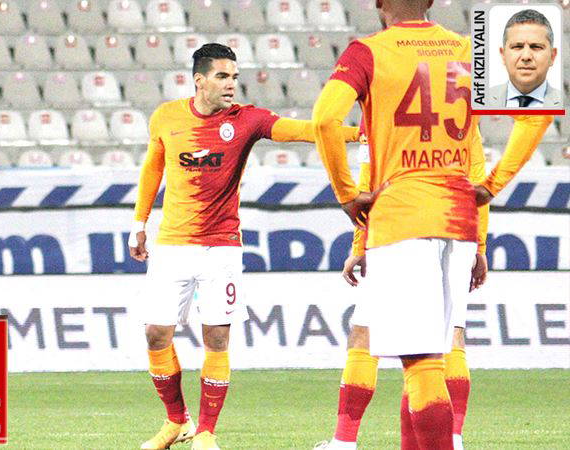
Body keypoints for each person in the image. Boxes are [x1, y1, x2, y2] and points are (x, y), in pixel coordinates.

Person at [311, 0, 552, 448]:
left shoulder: (367, 52)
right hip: (459, 220)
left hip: (402, 217)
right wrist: (492, 185)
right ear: (431, 1)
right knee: (436, 354)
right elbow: (535, 110)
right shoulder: (469, 50)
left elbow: (325, 120)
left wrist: (346, 194)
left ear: (379, 3)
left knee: (420, 364)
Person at [128, 43, 358, 450]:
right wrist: (138, 223)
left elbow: (303, 131)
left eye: (234, 77)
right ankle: (176, 420)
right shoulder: (166, 117)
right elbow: (152, 169)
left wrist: (360, 133)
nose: (231, 84)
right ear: (199, 80)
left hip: (222, 247)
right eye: (222, 76)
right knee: (155, 333)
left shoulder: (246, 120)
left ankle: (205, 432)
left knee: (216, 339)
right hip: (173, 244)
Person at [314, 121, 489, 450]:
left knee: (366, 334)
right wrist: (478, 245)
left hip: (402, 226)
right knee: (448, 337)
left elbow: (369, 177)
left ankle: (344, 442)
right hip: (457, 226)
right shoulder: (460, 99)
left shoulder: (382, 104)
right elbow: (478, 175)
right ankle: (453, 439)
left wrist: (360, 245)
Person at [487, 8, 561, 108]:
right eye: (517, 46)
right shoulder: (479, 100)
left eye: (536, 47)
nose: (526, 56)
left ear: (552, 56)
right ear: (503, 55)